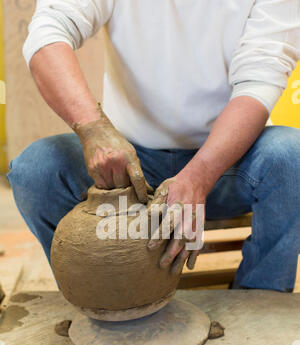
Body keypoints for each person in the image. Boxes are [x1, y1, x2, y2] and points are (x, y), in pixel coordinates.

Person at [7, 0, 300, 292]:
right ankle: (100, 293)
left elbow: (257, 82)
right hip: (129, 168)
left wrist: (199, 176)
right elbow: (48, 32)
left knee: (291, 157)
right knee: (36, 170)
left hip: (228, 165)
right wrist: (94, 128)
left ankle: (260, 298)